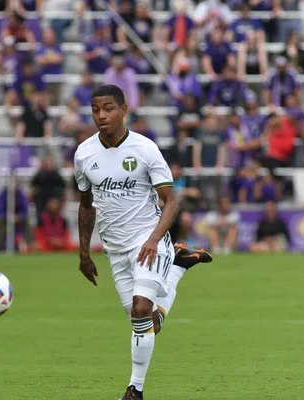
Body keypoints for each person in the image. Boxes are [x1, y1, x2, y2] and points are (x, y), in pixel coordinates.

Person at [74, 85, 212, 400]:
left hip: (148, 239)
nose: (101, 115)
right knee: (147, 324)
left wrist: (153, 239)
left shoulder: (145, 149)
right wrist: (84, 253)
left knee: (140, 309)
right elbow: (86, 205)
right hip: (115, 249)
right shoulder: (84, 154)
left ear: (124, 110)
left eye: (108, 108)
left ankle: (134, 390)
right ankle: (178, 268)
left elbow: (171, 202)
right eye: (96, 109)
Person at [0, 178, 29, 252]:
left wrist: (19, 216)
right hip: (5, 218)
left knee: (27, 220)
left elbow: (25, 208)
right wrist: (8, 217)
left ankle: (25, 243)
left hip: (18, 218)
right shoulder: (3, 194)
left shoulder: (20, 194)